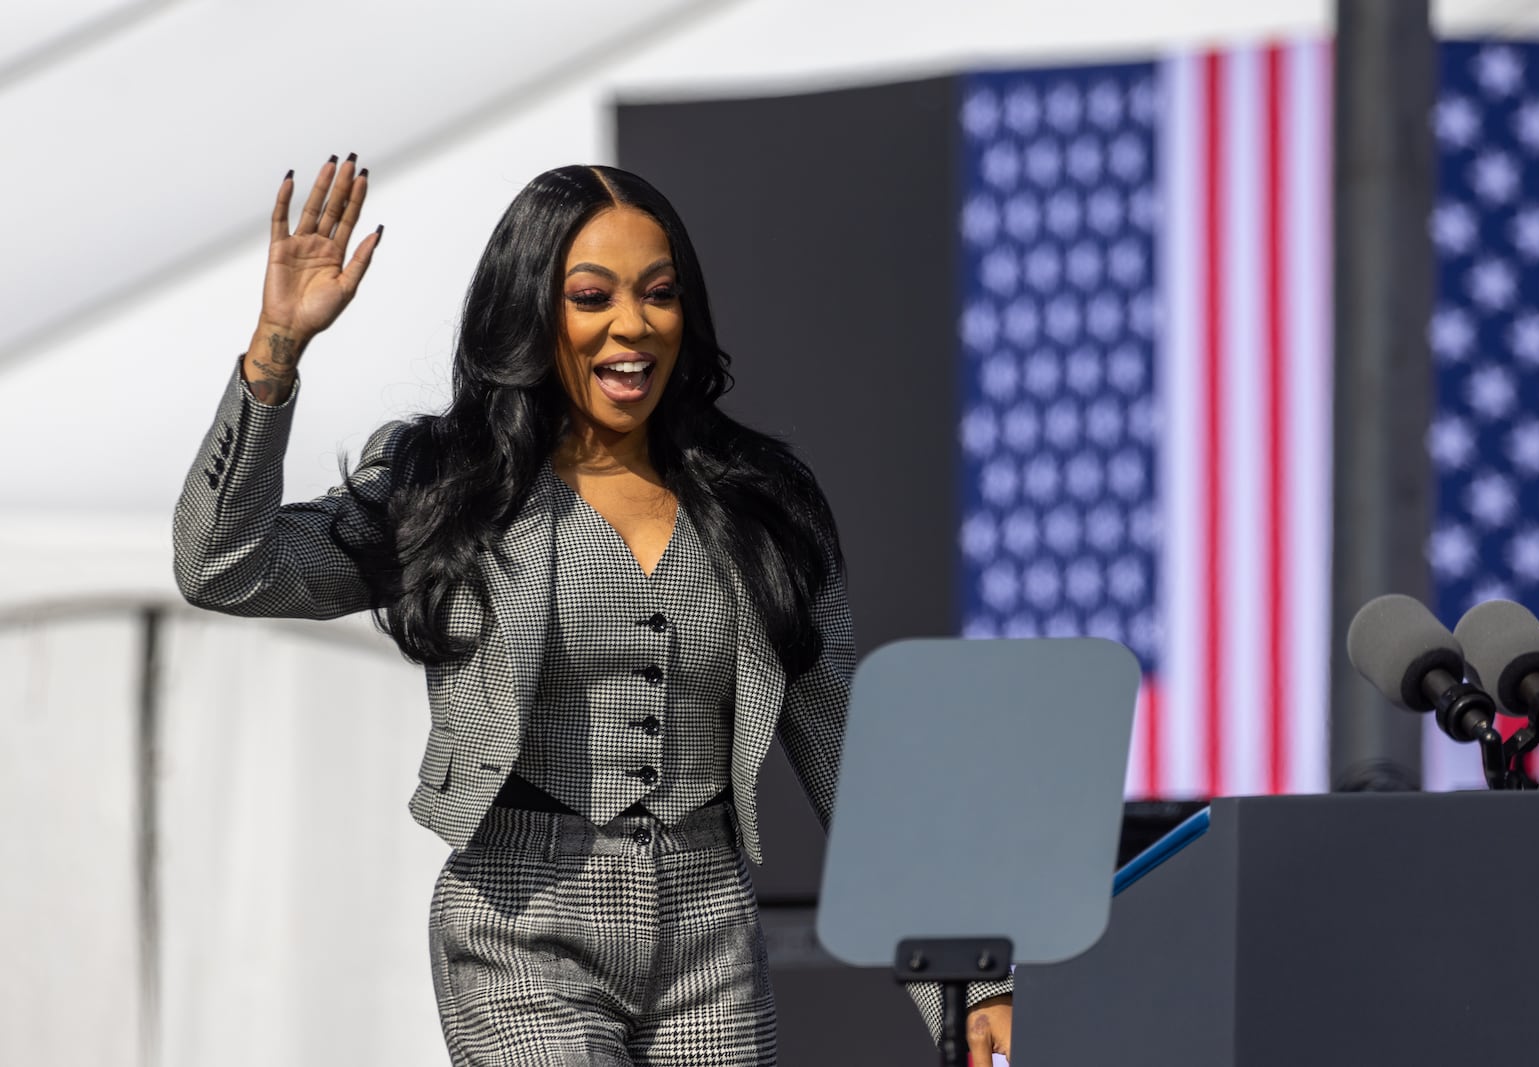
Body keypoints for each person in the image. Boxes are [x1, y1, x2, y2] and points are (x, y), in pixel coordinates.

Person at [173, 154, 1014, 1064]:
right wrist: (274, 352)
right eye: (592, 296)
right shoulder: (448, 487)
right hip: (519, 932)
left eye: (658, 293)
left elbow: (851, 751)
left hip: (713, 937)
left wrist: (971, 988)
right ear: (532, 309)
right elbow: (223, 563)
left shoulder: (763, 500)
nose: (632, 325)